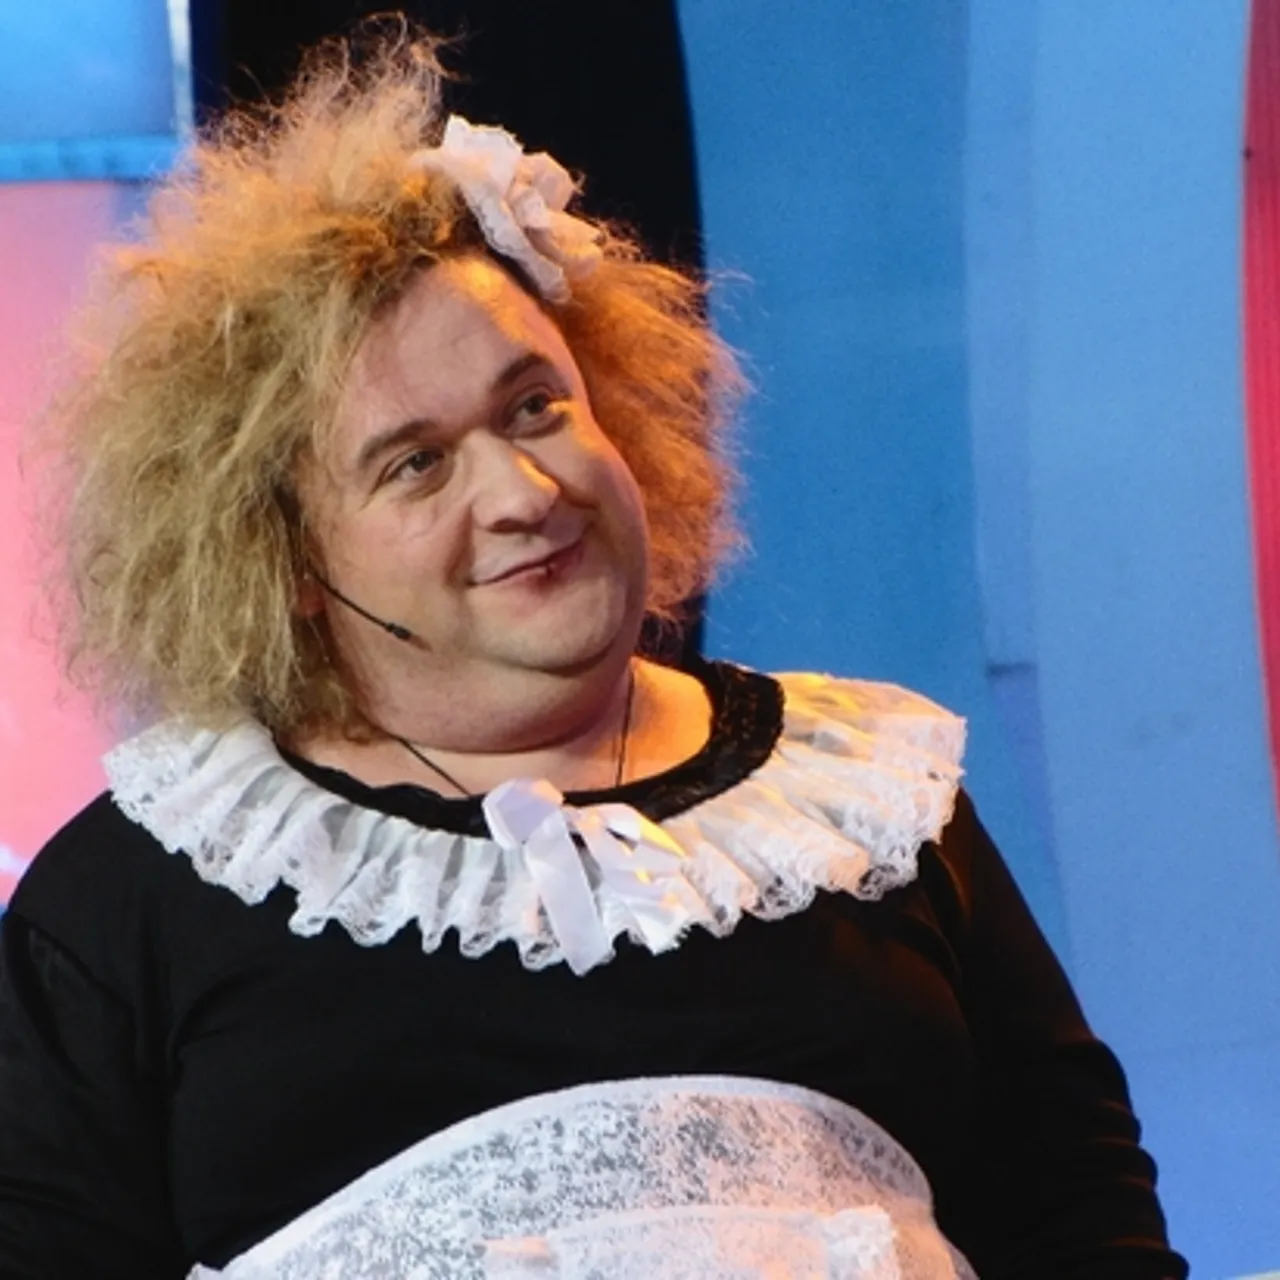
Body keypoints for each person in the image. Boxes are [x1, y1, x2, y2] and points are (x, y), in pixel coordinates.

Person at [0, 36, 1185, 1280]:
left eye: (535, 406)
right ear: (286, 558)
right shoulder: (140, 899)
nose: (524, 491)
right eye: (415, 462)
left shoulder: (872, 806)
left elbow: (1083, 1226)